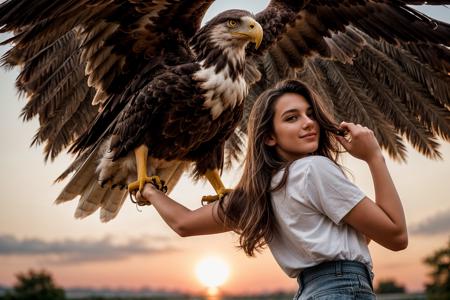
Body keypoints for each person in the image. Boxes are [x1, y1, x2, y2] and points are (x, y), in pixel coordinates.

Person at [136, 80, 408, 299]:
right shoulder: (314, 169)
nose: (308, 122)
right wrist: (374, 158)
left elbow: (183, 223)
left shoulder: (258, 193)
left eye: (310, 114)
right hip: (343, 290)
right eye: (292, 118)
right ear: (269, 136)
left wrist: (148, 189)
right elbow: (396, 236)